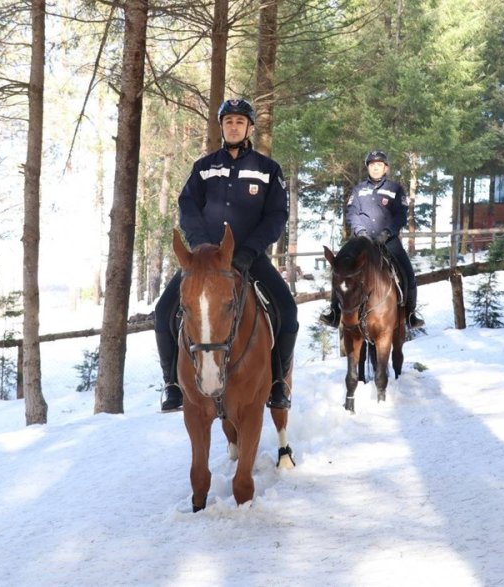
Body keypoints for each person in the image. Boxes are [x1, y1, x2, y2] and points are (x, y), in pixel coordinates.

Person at [154, 98, 299, 413]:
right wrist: (201, 246)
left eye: (239, 122)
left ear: (249, 128)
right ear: (221, 127)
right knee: (163, 311)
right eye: (228, 121)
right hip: (205, 261)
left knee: (287, 312)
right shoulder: (203, 168)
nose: (233, 127)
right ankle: (172, 385)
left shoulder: (268, 170)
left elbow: (275, 217)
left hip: (249, 257)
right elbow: (188, 207)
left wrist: (248, 251)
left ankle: (277, 384)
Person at [319, 150, 425, 329]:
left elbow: (401, 215)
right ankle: (334, 312)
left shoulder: (396, 190)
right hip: (361, 240)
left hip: (388, 240)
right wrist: (360, 231)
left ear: (386, 168)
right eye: (372, 165)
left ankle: (410, 314)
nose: (375, 168)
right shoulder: (358, 190)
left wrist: (387, 232)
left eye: (379, 165)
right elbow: (352, 213)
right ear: (367, 167)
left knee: (408, 271)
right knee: (340, 268)